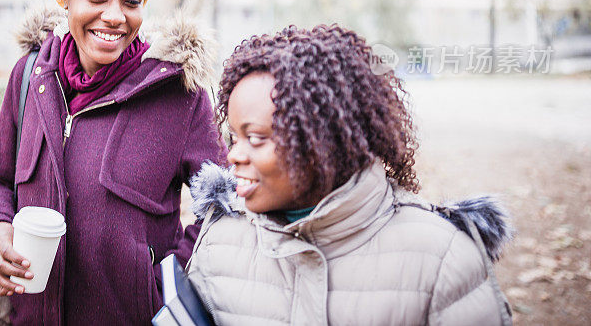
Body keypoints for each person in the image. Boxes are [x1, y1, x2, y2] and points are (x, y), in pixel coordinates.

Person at [0, 0, 226, 325]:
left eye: (132, 1)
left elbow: (220, 208)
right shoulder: (31, 78)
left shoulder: (179, 94)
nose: (114, 16)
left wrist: (161, 291)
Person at [186, 24, 513, 325]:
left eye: (256, 138)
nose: (233, 155)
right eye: (233, 137)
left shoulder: (442, 257)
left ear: (322, 141)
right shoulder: (219, 244)